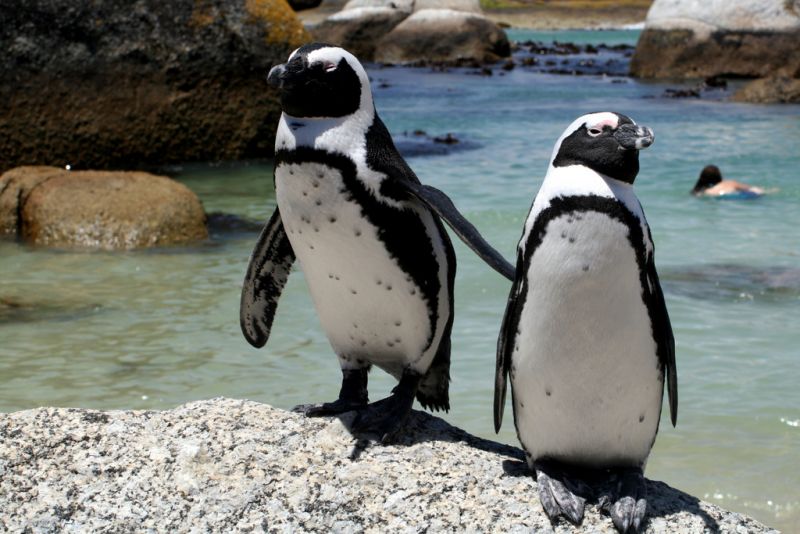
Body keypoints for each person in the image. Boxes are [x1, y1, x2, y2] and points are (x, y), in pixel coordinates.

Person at [691, 165, 765, 198]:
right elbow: (751, 188)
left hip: (729, 198)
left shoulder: (708, 192)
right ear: (719, 175)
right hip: (752, 195)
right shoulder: (731, 183)